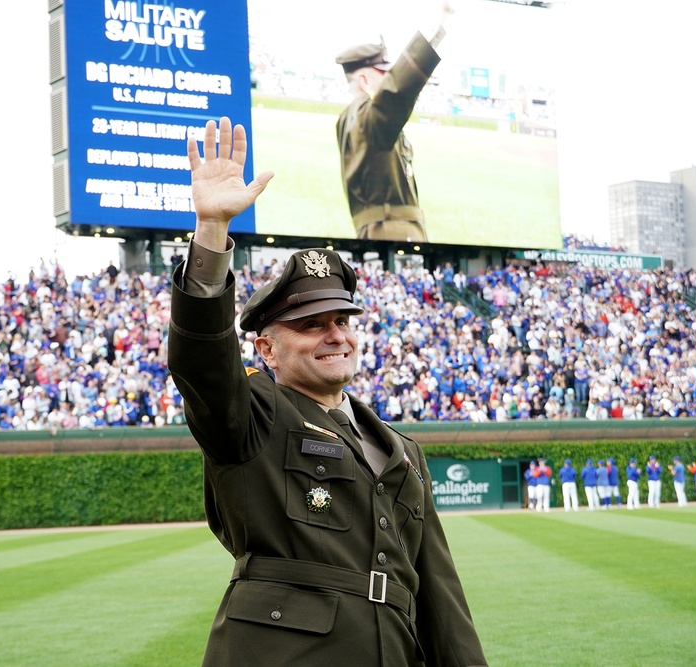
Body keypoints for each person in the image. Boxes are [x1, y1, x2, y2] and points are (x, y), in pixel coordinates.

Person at [168, 116, 486, 665]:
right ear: (267, 350)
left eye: (342, 319)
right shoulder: (253, 415)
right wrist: (211, 232)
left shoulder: (403, 450)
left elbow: (440, 595)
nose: (335, 334)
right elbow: (203, 365)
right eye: (311, 325)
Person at [335, 0, 453, 241]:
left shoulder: (349, 118)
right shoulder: (368, 117)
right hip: (394, 230)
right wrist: (439, 22)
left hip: (380, 229)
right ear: (365, 81)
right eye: (384, 73)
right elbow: (399, 89)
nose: (390, 77)